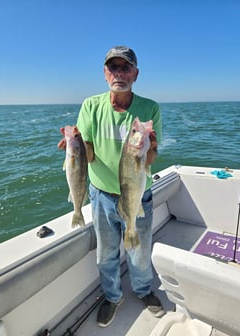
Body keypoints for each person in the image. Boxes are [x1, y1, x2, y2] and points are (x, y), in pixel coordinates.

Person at [59, 46, 163, 327]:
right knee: (106, 253)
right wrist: (75, 146)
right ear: (105, 74)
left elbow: (151, 158)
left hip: (138, 193)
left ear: (136, 74)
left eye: (125, 67)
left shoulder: (149, 108)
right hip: (101, 195)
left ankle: (143, 290)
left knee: (139, 251)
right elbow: (88, 155)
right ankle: (112, 296)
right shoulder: (91, 106)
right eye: (113, 68)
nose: (119, 73)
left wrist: (149, 145)